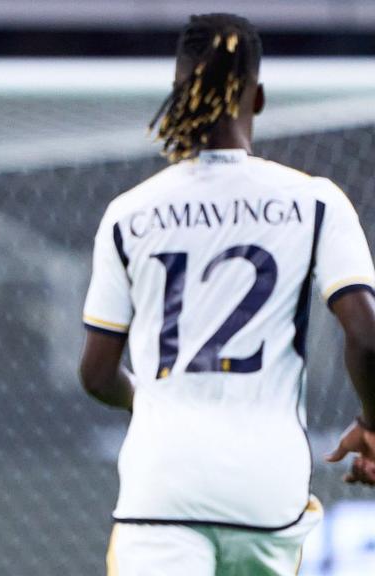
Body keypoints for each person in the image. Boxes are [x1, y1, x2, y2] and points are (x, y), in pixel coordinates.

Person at [79, 13, 375, 575]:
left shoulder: (130, 214)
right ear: (257, 98)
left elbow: (96, 374)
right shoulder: (315, 203)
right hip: (267, 488)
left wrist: (162, 406)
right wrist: (372, 422)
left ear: (177, 96)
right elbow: (366, 336)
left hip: (162, 489)